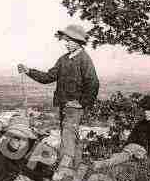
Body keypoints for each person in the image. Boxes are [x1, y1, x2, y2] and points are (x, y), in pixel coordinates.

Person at [18, 25, 99, 173]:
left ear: (78, 42)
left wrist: (81, 103)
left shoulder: (84, 60)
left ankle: (63, 176)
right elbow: (48, 77)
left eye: (70, 41)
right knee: (70, 138)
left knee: (68, 139)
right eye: (66, 40)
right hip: (64, 107)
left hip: (74, 109)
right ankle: (75, 171)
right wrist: (29, 71)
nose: (66, 43)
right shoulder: (63, 59)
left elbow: (93, 84)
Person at [92, 95, 150, 170]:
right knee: (123, 155)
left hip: (148, 157)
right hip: (132, 152)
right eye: (145, 109)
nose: (146, 112)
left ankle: (101, 164)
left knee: (123, 156)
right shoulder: (140, 124)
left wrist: (146, 155)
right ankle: (104, 162)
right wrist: (130, 147)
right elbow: (131, 140)